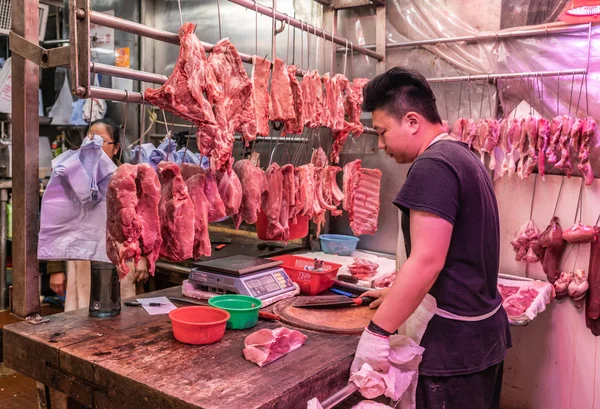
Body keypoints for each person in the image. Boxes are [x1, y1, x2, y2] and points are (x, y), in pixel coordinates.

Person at [350, 68, 511, 409]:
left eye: (382, 132)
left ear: (411, 121)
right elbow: (456, 255)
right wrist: (397, 294)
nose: (380, 145)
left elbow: (428, 260)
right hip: (479, 340)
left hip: (451, 349)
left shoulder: (433, 165)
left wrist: (378, 332)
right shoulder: (464, 155)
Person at [47, 118, 147, 311]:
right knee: (83, 317)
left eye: (101, 141)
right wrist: (56, 268)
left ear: (116, 148)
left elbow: (142, 222)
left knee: (124, 317)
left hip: (122, 257)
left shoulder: (128, 178)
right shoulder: (71, 175)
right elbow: (58, 222)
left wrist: (142, 258)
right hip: (82, 258)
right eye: (89, 140)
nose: (94, 146)